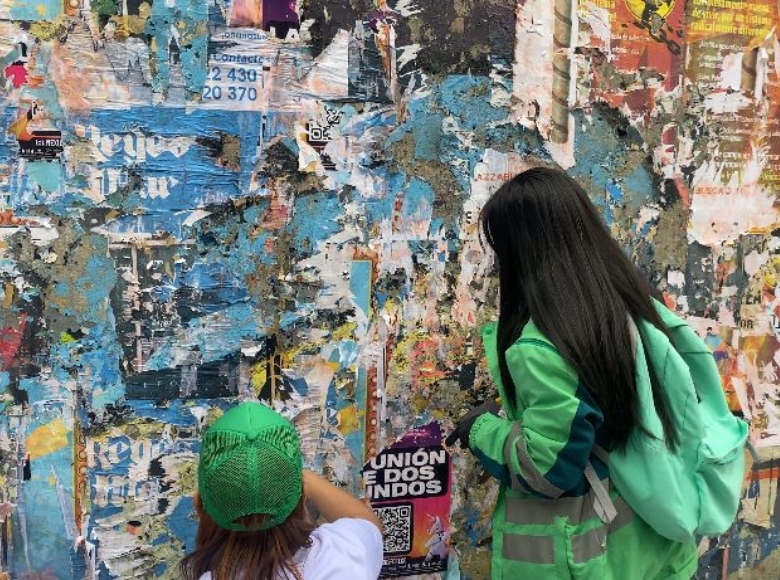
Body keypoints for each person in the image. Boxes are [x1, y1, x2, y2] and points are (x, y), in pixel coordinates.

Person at [447, 167, 698, 579]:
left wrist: (481, 431)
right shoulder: (630, 301)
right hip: (655, 548)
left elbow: (548, 469)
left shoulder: (541, 346)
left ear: (522, 251)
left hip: (590, 559)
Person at [181, 401, 384, 580]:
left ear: (200, 507)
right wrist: (302, 477)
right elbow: (367, 522)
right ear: (303, 495)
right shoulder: (342, 556)